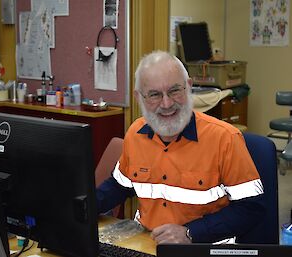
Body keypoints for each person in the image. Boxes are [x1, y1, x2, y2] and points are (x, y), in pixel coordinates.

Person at [97, 50, 265, 244]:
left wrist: (190, 233)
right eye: (154, 95)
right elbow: (119, 186)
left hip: (203, 247)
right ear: (139, 98)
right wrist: (79, 209)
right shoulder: (135, 133)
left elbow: (252, 208)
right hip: (146, 243)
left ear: (189, 87)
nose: (167, 103)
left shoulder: (225, 138)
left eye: (175, 90)